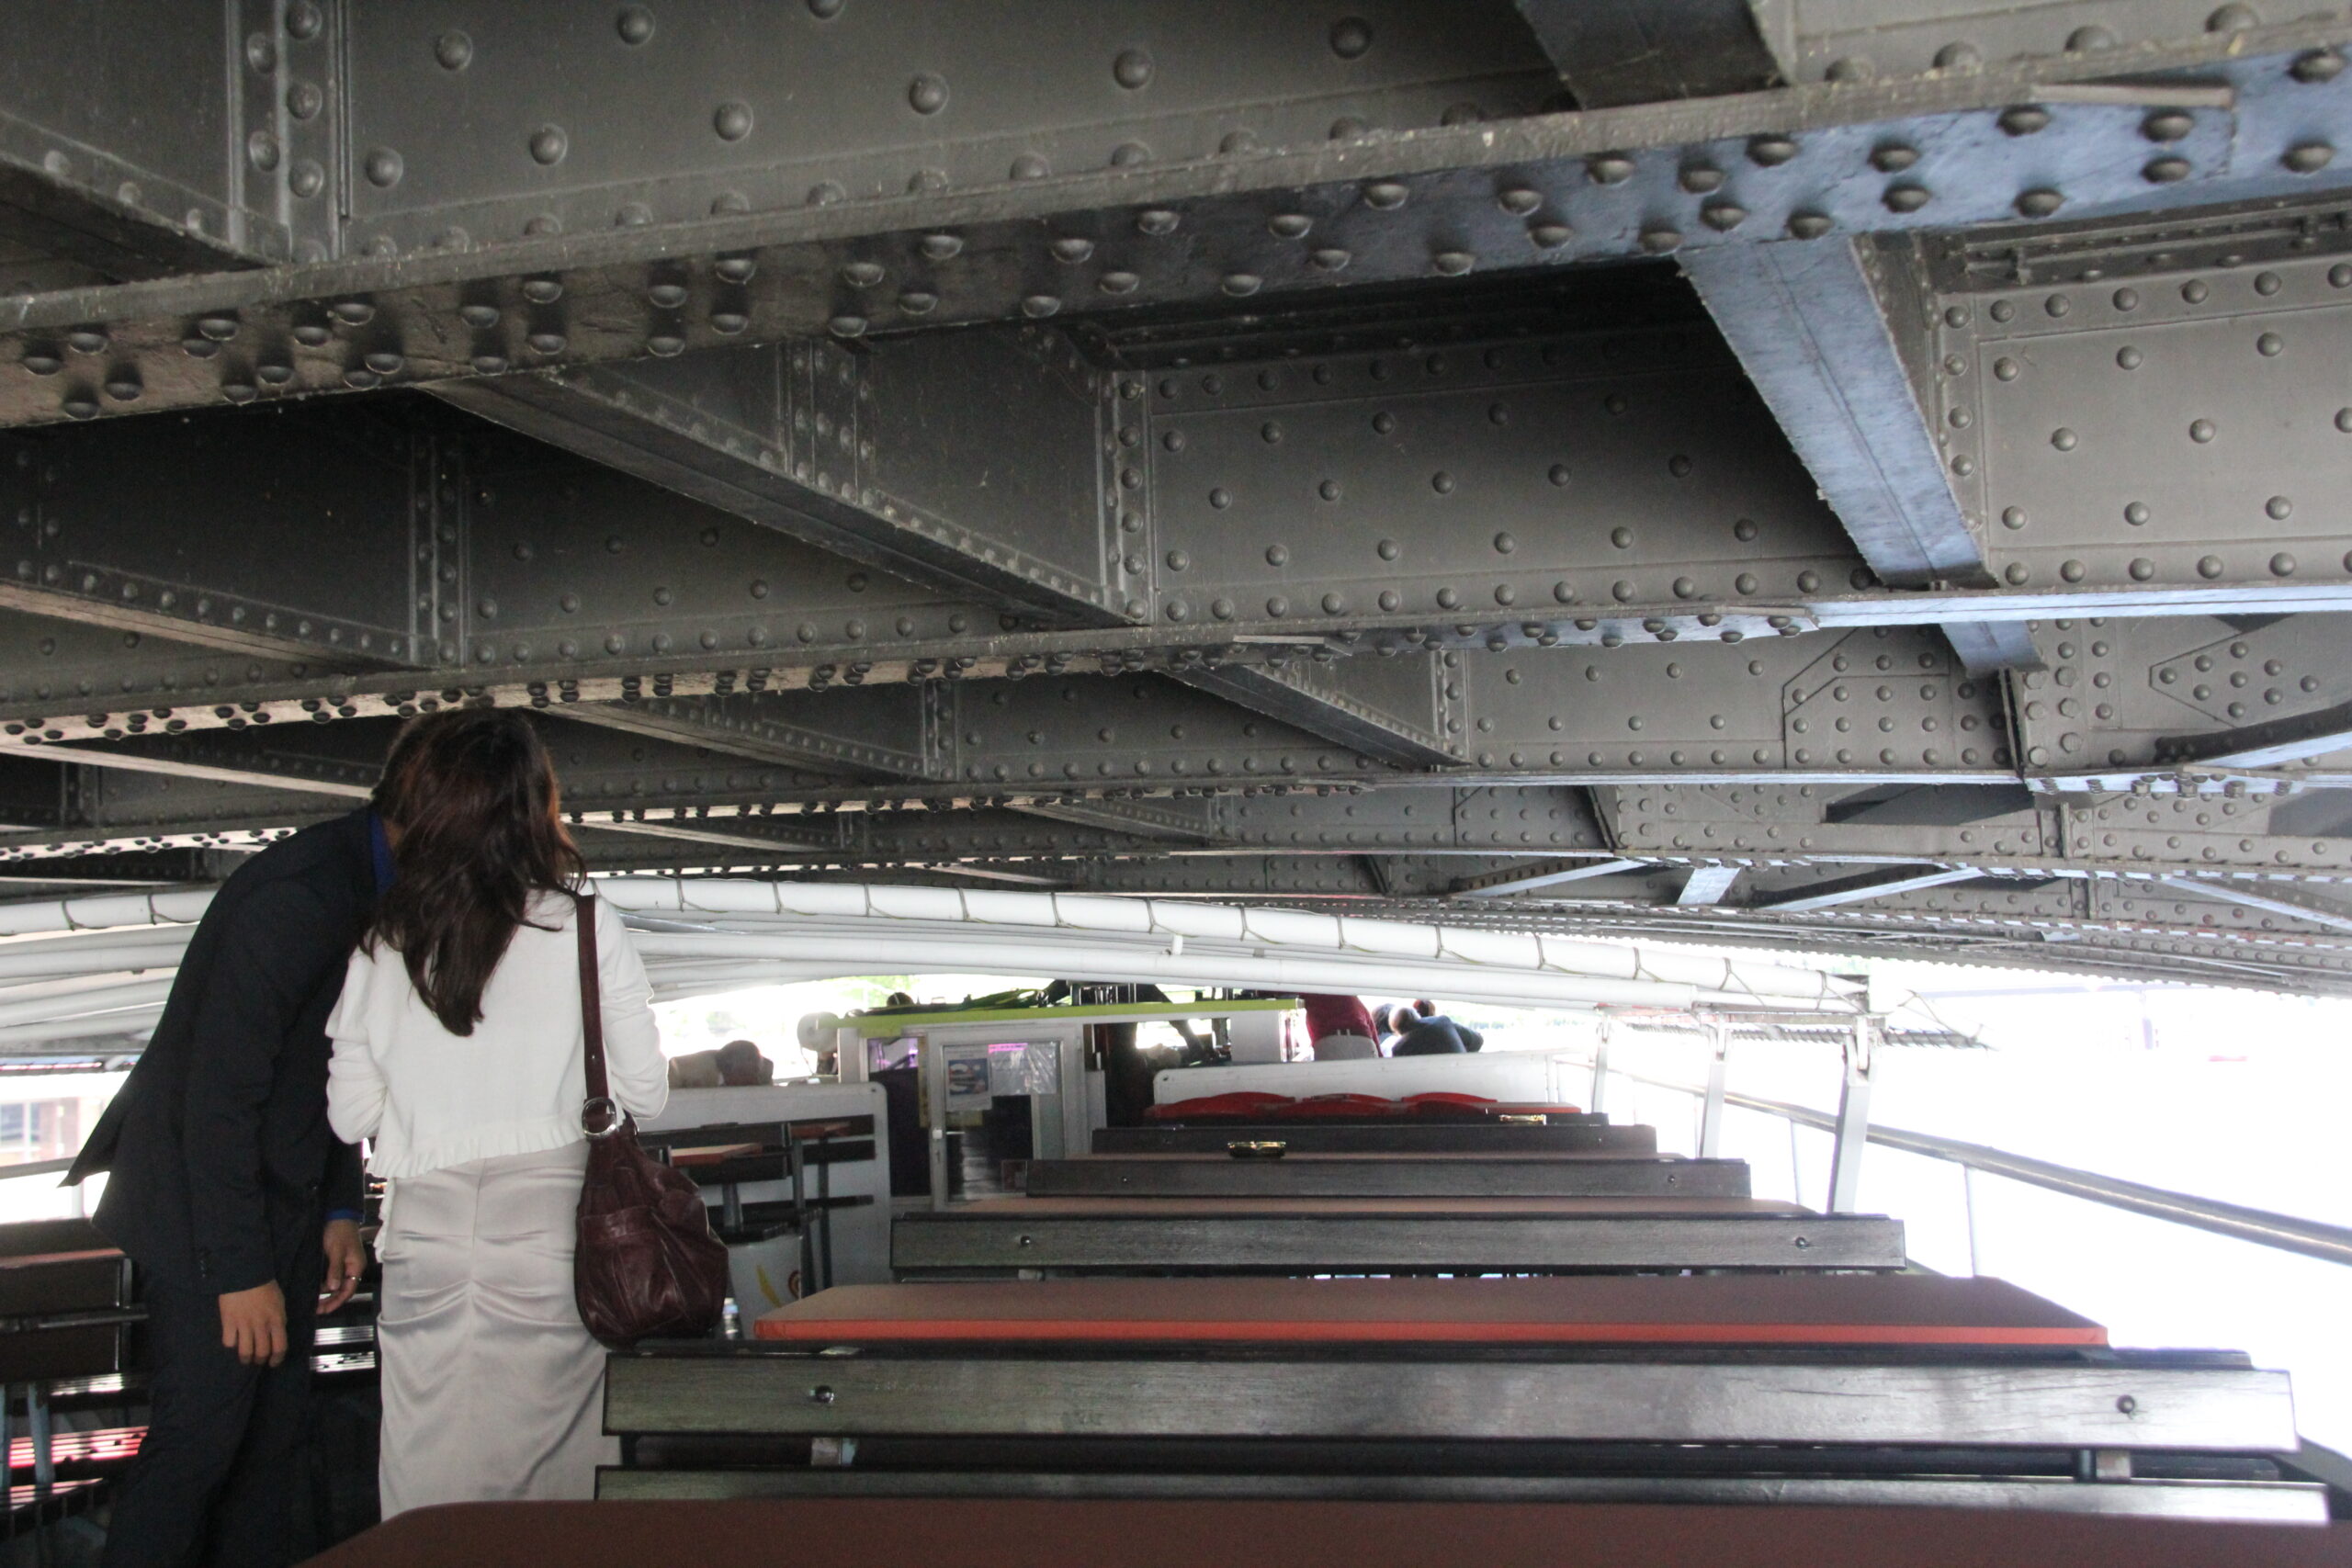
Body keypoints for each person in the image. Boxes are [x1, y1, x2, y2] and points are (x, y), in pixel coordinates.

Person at [323, 710, 668, 1517]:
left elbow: (349, 1113)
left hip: (425, 1241)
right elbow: (646, 1093)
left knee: (427, 1475)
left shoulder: (385, 938)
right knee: (555, 1478)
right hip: (551, 1234)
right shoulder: (584, 922)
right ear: (536, 804)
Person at [65, 754, 406, 1566]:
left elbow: (324, 1062)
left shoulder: (361, 880)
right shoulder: (302, 897)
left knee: (269, 1448)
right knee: (200, 1447)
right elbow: (217, 1101)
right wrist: (240, 1272)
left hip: (272, 1202)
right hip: (206, 1215)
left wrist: (339, 1207)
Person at [1388, 1003, 1486, 1057]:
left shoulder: (1399, 1048)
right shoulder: (1442, 1022)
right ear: (1417, 1016)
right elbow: (1478, 1041)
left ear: (1397, 1029)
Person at [1302, 993, 1379, 1058]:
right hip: (1364, 1042)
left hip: (1330, 1043)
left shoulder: (1314, 988)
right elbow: (1371, 1029)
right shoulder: (1354, 1001)